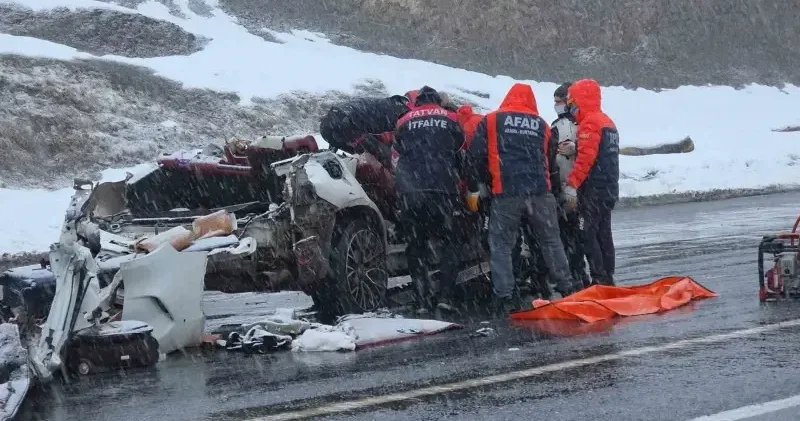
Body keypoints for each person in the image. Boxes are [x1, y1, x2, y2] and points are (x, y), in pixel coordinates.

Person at [469, 83, 581, 313]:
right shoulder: (542, 125)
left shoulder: (491, 120)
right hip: (540, 192)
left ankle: (505, 296)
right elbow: (551, 163)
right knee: (551, 240)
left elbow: (475, 156)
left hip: (506, 191)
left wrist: (481, 186)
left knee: (501, 244)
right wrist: (556, 194)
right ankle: (567, 287)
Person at [394, 86, 466, 314]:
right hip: (442, 189)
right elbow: (460, 149)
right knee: (449, 242)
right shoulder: (451, 118)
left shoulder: (403, 120)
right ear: (437, 101)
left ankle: (421, 299)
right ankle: (445, 296)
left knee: (416, 245)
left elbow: (396, 151)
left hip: (411, 191)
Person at [563, 78, 620, 286]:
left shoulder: (589, 123)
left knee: (588, 233)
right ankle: (608, 275)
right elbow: (601, 153)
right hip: (609, 188)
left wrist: (572, 184)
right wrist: (578, 146)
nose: (571, 107)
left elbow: (587, 159)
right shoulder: (607, 122)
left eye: (572, 102)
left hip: (594, 189)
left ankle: (598, 278)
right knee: (604, 233)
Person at [551, 82, 592, 288]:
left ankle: (577, 275)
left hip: (573, 186)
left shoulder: (575, 125)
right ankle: (580, 275)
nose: (556, 106)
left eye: (559, 102)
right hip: (569, 187)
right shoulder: (561, 125)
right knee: (572, 235)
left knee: (573, 235)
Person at [319, 94, 411, 154]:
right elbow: (400, 139)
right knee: (381, 156)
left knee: (363, 156)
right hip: (346, 123)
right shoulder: (397, 110)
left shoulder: (379, 103)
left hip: (326, 125)